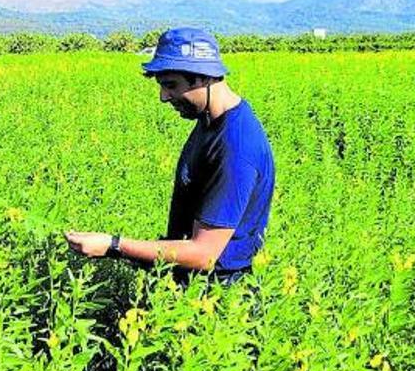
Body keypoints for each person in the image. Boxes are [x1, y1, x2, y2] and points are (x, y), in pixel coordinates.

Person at [65, 28, 275, 286]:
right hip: (194, 286)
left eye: (171, 85)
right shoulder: (211, 121)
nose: (164, 97)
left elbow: (204, 254)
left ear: (204, 78)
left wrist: (114, 245)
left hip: (217, 297)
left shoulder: (236, 147)